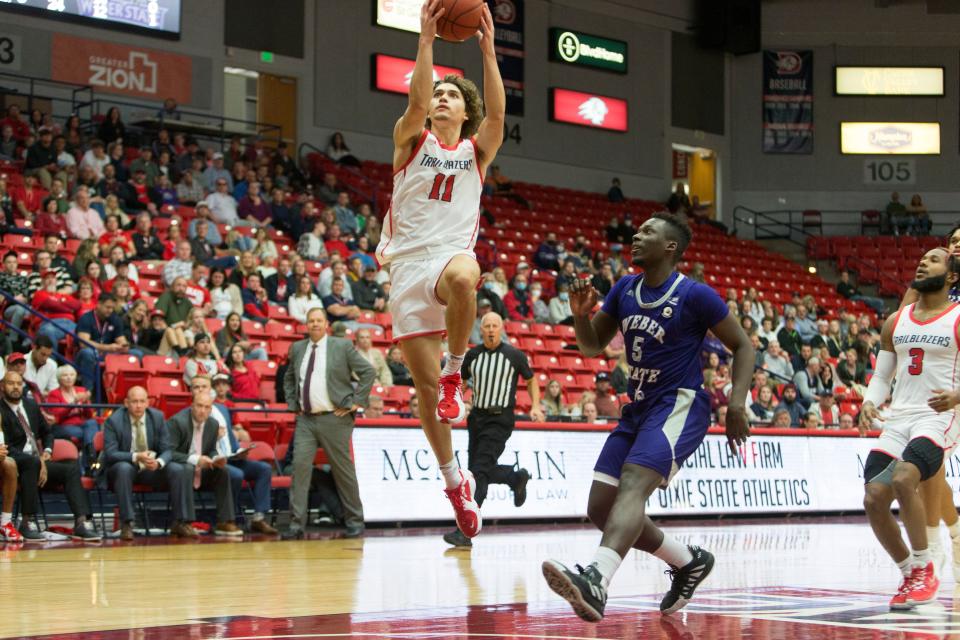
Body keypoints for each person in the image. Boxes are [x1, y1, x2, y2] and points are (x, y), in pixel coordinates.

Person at [541, 212, 754, 622]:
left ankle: (596, 579)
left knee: (634, 485)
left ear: (670, 247)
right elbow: (591, 348)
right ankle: (688, 561)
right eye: (637, 231)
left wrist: (737, 403)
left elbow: (743, 346)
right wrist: (581, 315)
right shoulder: (624, 289)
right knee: (601, 508)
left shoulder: (695, 295)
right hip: (637, 408)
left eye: (647, 233)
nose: (636, 236)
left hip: (679, 405)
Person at [372, 0, 503, 541]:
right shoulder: (411, 138)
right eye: (438, 95)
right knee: (428, 398)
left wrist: (489, 51)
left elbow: (498, 116)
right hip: (405, 268)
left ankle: (457, 365)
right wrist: (425, 43)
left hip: (450, 255)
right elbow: (417, 97)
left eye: (452, 95)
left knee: (466, 277)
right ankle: (455, 485)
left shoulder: (477, 150)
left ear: (463, 112)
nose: (441, 100)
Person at [859, 247, 960, 609]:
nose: (923, 262)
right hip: (899, 416)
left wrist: (957, 397)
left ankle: (925, 565)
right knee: (873, 499)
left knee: (904, 479)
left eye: (934, 260)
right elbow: (883, 375)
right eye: (921, 259)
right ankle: (909, 571)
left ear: (951, 276)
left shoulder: (958, 316)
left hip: (940, 416)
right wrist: (870, 401)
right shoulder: (896, 321)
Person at [443, 312, 542, 548]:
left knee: (477, 473)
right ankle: (515, 478)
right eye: (486, 325)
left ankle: (464, 532)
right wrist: (452, 402)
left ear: (501, 328)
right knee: (479, 472)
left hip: (500, 419)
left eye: (494, 326)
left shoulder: (514, 355)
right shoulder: (473, 355)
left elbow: (531, 380)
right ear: (481, 329)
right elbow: (462, 382)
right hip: (476, 418)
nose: (489, 329)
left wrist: (536, 405)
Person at [281, 308, 375, 539]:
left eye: (319, 320)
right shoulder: (297, 348)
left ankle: (354, 520)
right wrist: (293, 403)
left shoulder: (340, 346)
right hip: (305, 419)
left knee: (343, 471)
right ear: (306, 325)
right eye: (311, 321)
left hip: (335, 417)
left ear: (326, 325)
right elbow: (290, 378)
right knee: (300, 470)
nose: (314, 324)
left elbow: (368, 372)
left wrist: (356, 402)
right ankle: (296, 525)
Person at [0, 371, 101, 541]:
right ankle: (27, 522)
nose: (16, 387)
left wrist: (46, 452)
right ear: (2, 386)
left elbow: (48, 432)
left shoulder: (30, 405)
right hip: (14, 461)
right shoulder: (1, 410)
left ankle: (82, 522)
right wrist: (38, 461)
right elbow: (5, 446)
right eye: (11, 383)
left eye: (18, 383)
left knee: (70, 469)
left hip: (37, 461)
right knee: (31, 462)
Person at [102, 386, 195, 539]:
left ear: (148, 403)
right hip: (125, 468)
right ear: (126, 403)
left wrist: (159, 462)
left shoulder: (157, 417)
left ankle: (180, 522)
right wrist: (136, 456)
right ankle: (127, 523)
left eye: (142, 401)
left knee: (178, 469)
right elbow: (111, 454)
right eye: (134, 401)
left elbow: (167, 449)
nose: (138, 405)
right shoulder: (114, 421)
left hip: (150, 469)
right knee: (124, 469)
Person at [166, 391, 242, 537]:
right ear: (191, 406)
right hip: (180, 468)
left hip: (201, 469)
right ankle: (184, 522)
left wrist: (216, 459)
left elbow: (211, 450)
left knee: (223, 471)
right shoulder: (177, 422)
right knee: (187, 468)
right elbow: (169, 452)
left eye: (207, 407)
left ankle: (225, 521)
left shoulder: (213, 424)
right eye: (199, 406)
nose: (203, 411)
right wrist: (196, 459)